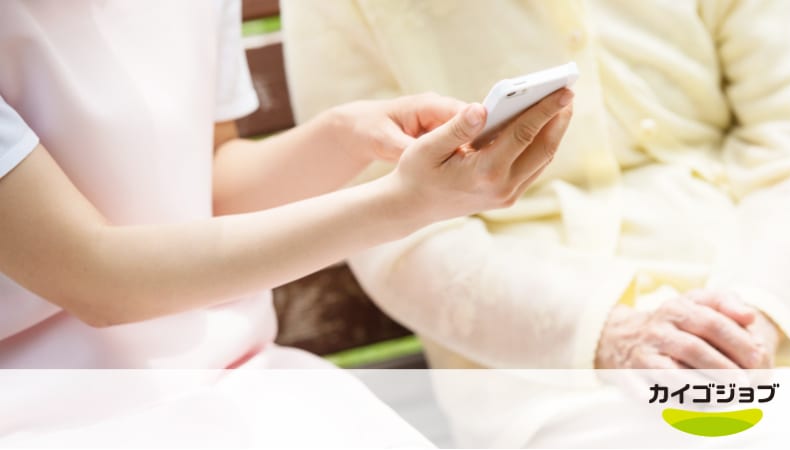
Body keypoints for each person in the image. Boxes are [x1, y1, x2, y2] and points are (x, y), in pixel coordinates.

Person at [0, 0, 573, 446]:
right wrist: (402, 204)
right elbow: (97, 281)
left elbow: (212, 187)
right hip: (46, 417)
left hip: (242, 379)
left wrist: (345, 137)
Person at [282, 0, 790, 446]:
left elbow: (787, 132)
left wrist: (756, 312)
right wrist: (607, 334)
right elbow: (386, 224)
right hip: (542, 368)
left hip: (764, 290)